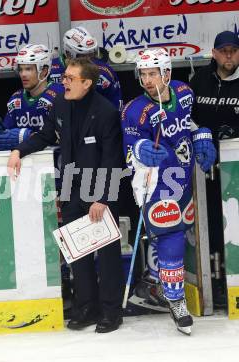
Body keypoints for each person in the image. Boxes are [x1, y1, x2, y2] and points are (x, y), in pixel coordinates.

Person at [7, 57, 124, 333]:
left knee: (106, 254)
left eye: (70, 78)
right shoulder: (60, 104)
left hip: (100, 189)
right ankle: (86, 308)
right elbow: (46, 135)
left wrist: (103, 198)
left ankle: (111, 311)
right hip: (71, 185)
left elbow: (113, 158)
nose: (64, 82)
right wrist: (18, 150)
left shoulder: (105, 111)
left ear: (87, 82)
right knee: (77, 253)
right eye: (64, 77)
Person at [121, 48, 217, 335]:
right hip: (154, 185)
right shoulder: (134, 110)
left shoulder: (184, 92)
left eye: (153, 73)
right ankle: (176, 301)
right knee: (171, 239)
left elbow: (193, 121)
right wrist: (140, 152)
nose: (147, 80)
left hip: (183, 180)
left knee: (183, 234)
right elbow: (127, 151)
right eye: (143, 74)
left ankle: (163, 284)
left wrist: (202, 136)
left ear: (167, 73)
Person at [190, 30, 239, 306]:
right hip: (206, 167)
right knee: (211, 225)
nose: (229, 55)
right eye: (224, 50)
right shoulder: (199, 80)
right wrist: (201, 133)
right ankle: (216, 282)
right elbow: (187, 117)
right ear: (215, 53)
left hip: (236, 168)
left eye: (233, 50)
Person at [0, 44, 64, 151]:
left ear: (44, 71)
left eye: (28, 69)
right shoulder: (15, 99)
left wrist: (28, 136)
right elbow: (8, 137)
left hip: (56, 163)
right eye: (21, 69)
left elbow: (67, 136)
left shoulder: (60, 95)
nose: (23, 74)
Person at [50, 26, 122, 111]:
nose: (89, 60)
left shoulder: (104, 73)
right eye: (83, 56)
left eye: (91, 55)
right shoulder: (51, 69)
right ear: (69, 53)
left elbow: (116, 107)